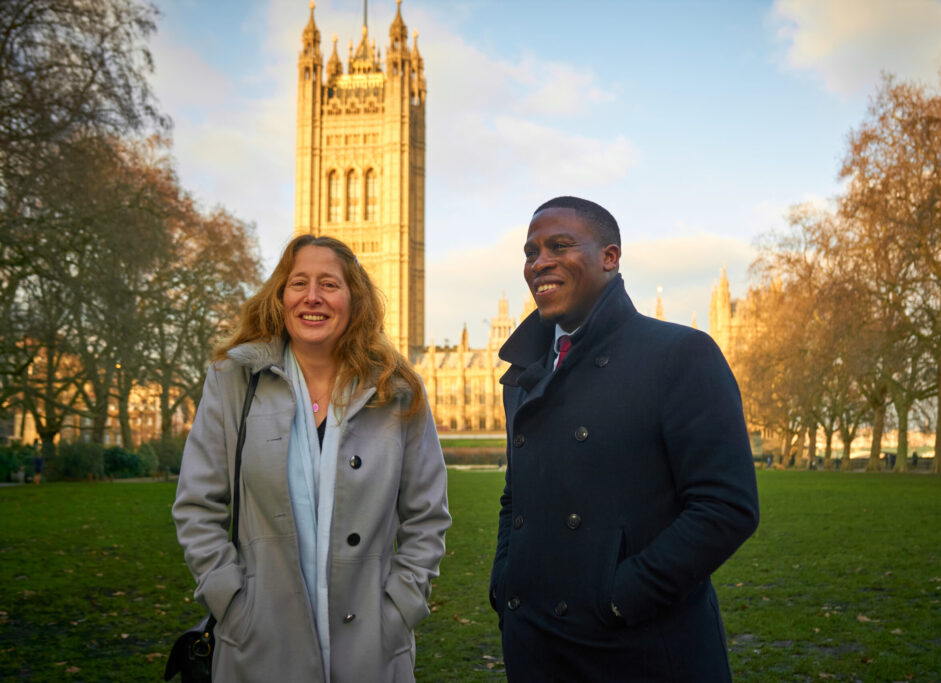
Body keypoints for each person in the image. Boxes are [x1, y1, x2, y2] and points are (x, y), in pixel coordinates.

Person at [488, 197, 759, 681]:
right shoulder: (523, 373)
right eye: (531, 252)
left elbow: (726, 507)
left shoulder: (680, 354)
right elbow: (517, 496)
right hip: (536, 649)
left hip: (638, 650)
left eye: (560, 245)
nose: (539, 262)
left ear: (610, 257)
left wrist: (618, 596)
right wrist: (505, 583)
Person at [173, 235, 450, 682]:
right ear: (280, 296)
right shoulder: (234, 381)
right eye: (299, 282)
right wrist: (232, 602)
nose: (313, 297)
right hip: (258, 641)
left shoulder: (397, 390)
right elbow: (196, 506)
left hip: (371, 647)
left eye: (330, 284)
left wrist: (400, 606)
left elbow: (427, 516)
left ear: (355, 300)